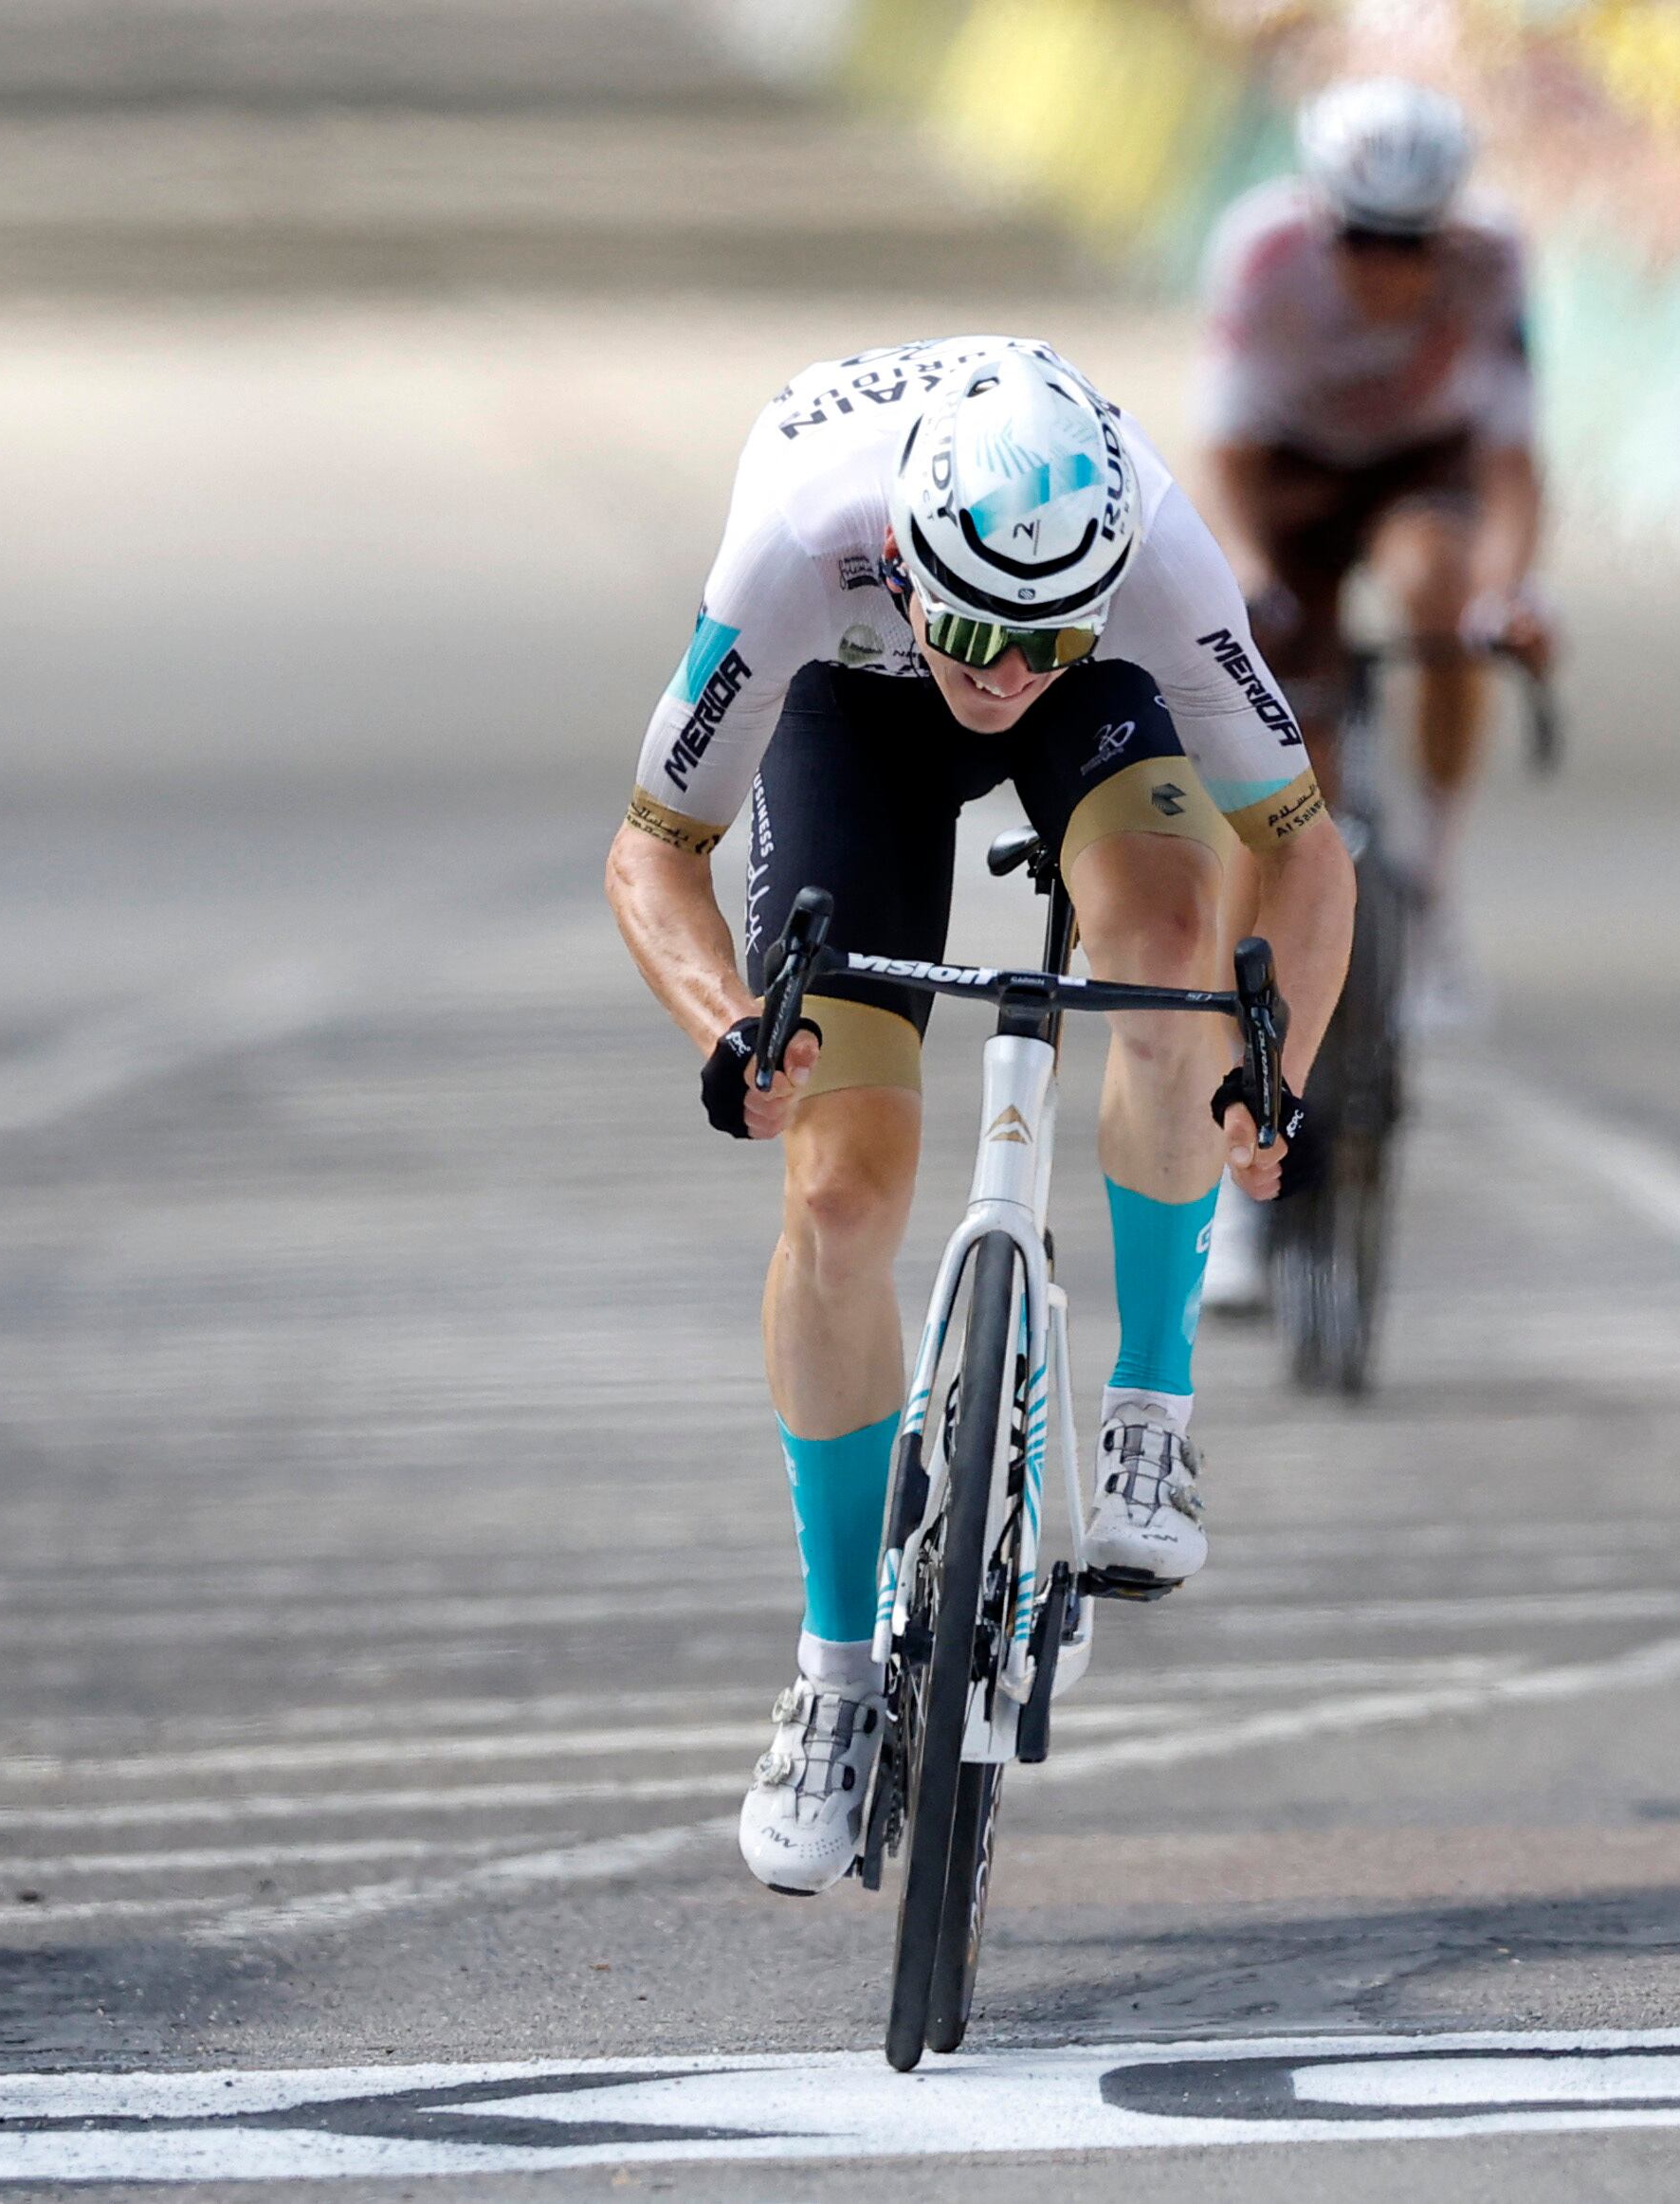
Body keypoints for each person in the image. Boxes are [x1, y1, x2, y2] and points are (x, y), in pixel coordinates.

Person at [602, 337, 1353, 1895]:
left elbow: (1302, 846)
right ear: (905, 556)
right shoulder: (804, 537)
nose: (1000, 670)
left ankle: (1151, 1420)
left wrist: (1276, 1070)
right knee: (839, 1197)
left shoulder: (1150, 559)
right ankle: (829, 1672)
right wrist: (730, 1028)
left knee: (1163, 952)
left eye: (1039, 637)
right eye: (971, 630)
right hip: (846, 712)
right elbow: (650, 849)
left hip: (1106, 721)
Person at [1192, 78, 1548, 1306]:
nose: (1390, 270)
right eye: (1365, 240)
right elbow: (1226, 463)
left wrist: (1513, 596)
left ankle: (1433, 886)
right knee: (1282, 774)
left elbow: (1508, 468)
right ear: (1319, 215)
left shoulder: (1494, 259)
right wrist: (1242, 578)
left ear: (1448, 232)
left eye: (1413, 244)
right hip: (1285, 475)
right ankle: (1237, 1189)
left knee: (1446, 595)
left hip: (1416, 469)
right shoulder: (1261, 255)